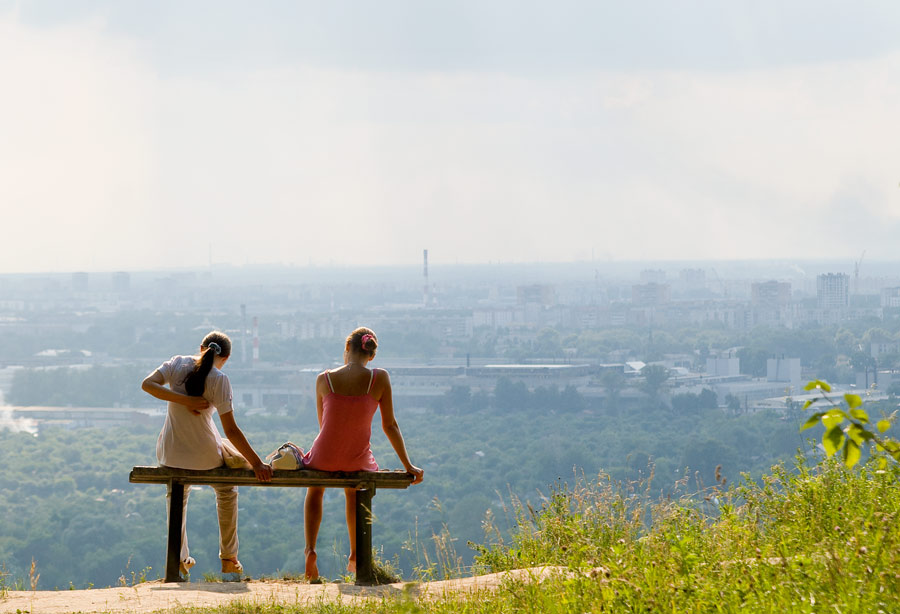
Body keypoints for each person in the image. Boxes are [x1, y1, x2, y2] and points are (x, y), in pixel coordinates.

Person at [141, 331, 272, 576]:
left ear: (200, 347)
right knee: (226, 489)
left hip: (170, 453)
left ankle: (179, 560)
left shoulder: (177, 363)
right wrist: (257, 463)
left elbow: (147, 384)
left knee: (177, 494)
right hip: (205, 457)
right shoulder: (219, 379)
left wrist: (180, 399)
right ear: (227, 357)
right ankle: (229, 558)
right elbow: (231, 430)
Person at [302, 327, 424, 581]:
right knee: (354, 490)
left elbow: (323, 424)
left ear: (347, 349)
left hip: (324, 455)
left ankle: (311, 548)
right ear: (371, 355)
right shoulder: (378, 378)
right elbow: (389, 425)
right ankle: (356, 554)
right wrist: (408, 464)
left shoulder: (324, 378)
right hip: (356, 457)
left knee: (315, 488)